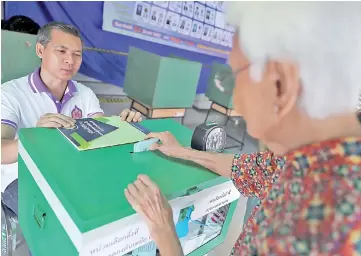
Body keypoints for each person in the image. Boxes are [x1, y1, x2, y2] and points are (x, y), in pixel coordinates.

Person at [124, 2, 361, 255]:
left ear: (280, 84)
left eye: (235, 76)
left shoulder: (313, 232)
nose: (234, 98)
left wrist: (164, 232)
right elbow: (246, 168)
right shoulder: (305, 160)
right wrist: (182, 151)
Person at [1, 21, 142, 215]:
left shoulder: (85, 94)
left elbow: (100, 132)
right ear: (40, 50)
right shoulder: (10, 93)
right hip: (22, 177)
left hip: (72, 171)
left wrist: (122, 125)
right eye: (61, 51)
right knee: (54, 225)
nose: (70, 60)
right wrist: (36, 138)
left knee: (110, 205)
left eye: (77, 54)